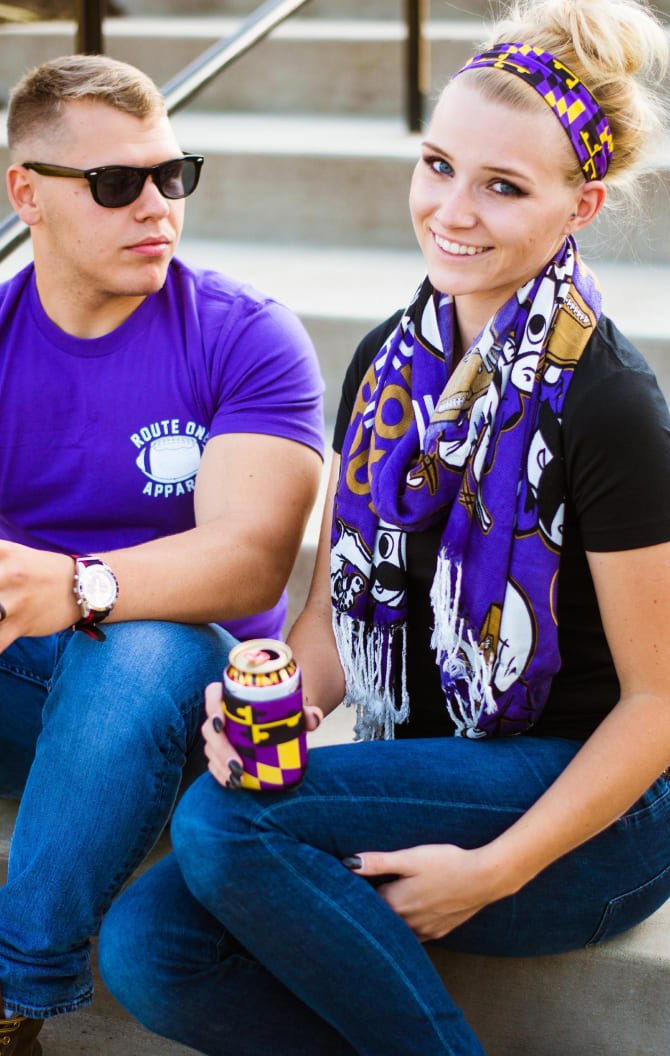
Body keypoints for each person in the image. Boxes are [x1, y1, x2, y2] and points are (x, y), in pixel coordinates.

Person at [96, 1, 670, 1053]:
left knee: (227, 824)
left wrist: (492, 870)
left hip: (588, 823)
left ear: (581, 204)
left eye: (503, 186)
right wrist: (269, 703)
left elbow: (658, 706)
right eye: (439, 165)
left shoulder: (610, 404)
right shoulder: (387, 364)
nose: (453, 210)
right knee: (151, 946)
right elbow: (329, 620)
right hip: (429, 773)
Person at [0, 54, 324, 1055]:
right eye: (115, 183)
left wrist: (74, 585)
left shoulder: (245, 336)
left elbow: (249, 563)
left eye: (172, 175)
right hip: (23, 691)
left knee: (139, 642)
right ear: (27, 195)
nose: (156, 206)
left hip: (193, 711)